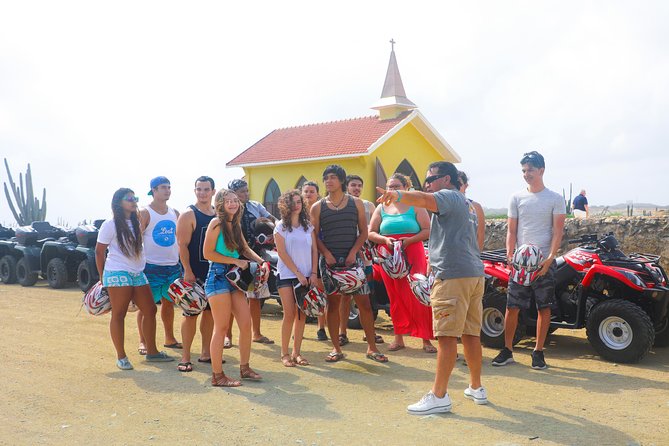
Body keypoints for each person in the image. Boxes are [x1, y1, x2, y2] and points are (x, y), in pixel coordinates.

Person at [377, 161, 487, 414]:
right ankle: (476, 387)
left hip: (453, 276)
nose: (428, 184)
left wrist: (398, 194)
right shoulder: (471, 205)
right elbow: (476, 242)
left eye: (431, 178)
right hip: (473, 274)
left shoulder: (447, 196)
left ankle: (439, 396)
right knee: (471, 334)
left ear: (447, 180)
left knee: (446, 336)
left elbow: (425, 200)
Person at [492, 151, 566, 370]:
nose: (526, 174)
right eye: (523, 170)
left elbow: (557, 232)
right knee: (512, 306)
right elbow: (511, 231)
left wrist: (550, 258)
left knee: (544, 307)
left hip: (544, 261)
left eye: (530, 170)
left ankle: (538, 352)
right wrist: (509, 255)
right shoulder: (516, 197)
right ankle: (507, 350)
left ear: (541, 170)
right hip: (520, 263)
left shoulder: (555, 198)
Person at [310, 165, 388, 363]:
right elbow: (314, 235)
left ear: (341, 181)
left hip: (355, 263)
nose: (328, 181)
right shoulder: (317, 207)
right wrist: (326, 254)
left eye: (333, 177)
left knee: (365, 305)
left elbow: (363, 232)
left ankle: (372, 348)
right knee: (333, 305)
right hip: (329, 264)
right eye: (326, 177)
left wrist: (354, 253)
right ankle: (336, 349)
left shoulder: (357, 204)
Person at [95, 188, 173, 370]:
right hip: (117, 272)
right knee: (119, 313)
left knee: (150, 309)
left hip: (138, 272)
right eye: (128, 198)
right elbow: (99, 251)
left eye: (134, 198)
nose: (133, 201)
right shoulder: (110, 224)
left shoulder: (136, 220)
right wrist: (102, 278)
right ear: (118, 202)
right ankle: (121, 357)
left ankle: (152, 352)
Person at [203, 189, 269, 386]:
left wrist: (263, 262)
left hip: (234, 277)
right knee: (221, 327)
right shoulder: (216, 223)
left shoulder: (235, 224)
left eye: (235, 200)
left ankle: (245, 368)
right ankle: (217, 376)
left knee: (246, 324)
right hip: (217, 276)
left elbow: (244, 249)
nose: (233, 203)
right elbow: (208, 253)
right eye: (228, 201)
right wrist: (235, 261)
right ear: (220, 204)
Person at [368, 173, 435, 353]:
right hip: (389, 256)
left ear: (406, 188)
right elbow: (371, 232)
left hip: (412, 251)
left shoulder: (416, 205)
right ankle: (399, 337)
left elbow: (427, 230)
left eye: (397, 186)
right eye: (390, 186)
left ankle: (426, 339)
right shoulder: (381, 207)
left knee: (419, 293)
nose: (393, 190)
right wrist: (384, 240)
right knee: (395, 296)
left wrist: (409, 240)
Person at [136, 176, 182, 356]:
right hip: (150, 267)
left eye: (169, 187)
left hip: (172, 267)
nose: (167, 190)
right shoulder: (145, 212)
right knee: (145, 307)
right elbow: (136, 239)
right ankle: (143, 341)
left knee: (169, 303)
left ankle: (169, 338)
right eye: (163, 187)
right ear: (154, 190)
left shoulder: (175, 213)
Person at [175, 176, 216, 372]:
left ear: (213, 192)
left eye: (206, 189)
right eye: (199, 189)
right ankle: (185, 357)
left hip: (214, 273)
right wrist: (187, 271)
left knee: (209, 314)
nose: (202, 193)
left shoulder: (218, 215)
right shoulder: (188, 215)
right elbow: (182, 246)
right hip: (193, 273)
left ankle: (206, 353)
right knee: (190, 314)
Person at [228, 179, 276, 346]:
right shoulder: (228, 209)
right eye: (242, 191)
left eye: (246, 190)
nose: (245, 194)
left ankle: (256, 333)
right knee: (232, 297)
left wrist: (269, 227)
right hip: (234, 256)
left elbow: (272, 220)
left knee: (255, 295)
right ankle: (228, 336)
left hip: (255, 254)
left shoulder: (256, 206)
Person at [274, 190, 318, 367]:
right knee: (289, 314)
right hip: (287, 275)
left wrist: (313, 273)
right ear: (286, 205)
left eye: (299, 201)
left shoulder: (308, 226)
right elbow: (282, 253)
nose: (297, 205)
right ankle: (284, 353)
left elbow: (315, 250)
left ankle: (297, 353)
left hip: (307, 276)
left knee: (301, 315)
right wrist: (298, 273)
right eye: (293, 202)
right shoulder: (280, 227)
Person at [339, 174, 383, 347]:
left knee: (367, 295)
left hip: (365, 257)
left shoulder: (368, 205)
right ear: (347, 186)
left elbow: (374, 228)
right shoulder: (341, 204)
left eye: (359, 185)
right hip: (346, 256)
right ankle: (342, 333)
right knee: (345, 297)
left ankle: (369, 332)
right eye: (353, 185)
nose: (356, 188)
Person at [302, 181, 328, 342]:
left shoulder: (322, 210)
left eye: (312, 191)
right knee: (301, 293)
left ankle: (321, 327)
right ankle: (299, 328)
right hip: (301, 256)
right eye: (306, 191)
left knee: (319, 292)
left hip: (318, 255)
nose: (309, 194)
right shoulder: (297, 212)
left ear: (318, 194)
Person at [458, 171, 486, 250]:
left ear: (465, 186)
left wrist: (476, 256)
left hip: (469, 255)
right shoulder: (445, 206)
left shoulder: (476, 207)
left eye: (459, 184)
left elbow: (480, 235)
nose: (456, 187)